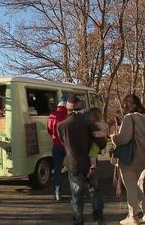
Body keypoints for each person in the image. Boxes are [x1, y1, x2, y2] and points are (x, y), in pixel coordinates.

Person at [57, 96, 107, 225]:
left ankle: (78, 219)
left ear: (67, 109)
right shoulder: (90, 123)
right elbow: (101, 143)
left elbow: (63, 143)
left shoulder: (61, 126)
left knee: (76, 195)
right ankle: (98, 217)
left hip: (73, 163)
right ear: (82, 108)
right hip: (91, 164)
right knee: (95, 191)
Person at [110, 94, 145, 225]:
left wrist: (113, 137)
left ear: (127, 105)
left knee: (130, 188)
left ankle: (133, 217)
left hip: (129, 158)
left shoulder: (130, 118)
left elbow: (123, 139)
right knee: (133, 186)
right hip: (143, 157)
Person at [47, 95, 68, 201]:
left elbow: (49, 130)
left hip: (56, 145)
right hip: (68, 146)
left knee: (57, 168)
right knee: (72, 168)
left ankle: (57, 192)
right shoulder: (68, 115)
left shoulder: (52, 115)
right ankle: (76, 190)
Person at [88, 107, 109, 174]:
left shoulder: (97, 124)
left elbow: (104, 132)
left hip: (97, 142)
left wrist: (96, 134)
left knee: (92, 154)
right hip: (98, 142)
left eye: (90, 115)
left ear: (95, 116)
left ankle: (93, 165)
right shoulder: (98, 123)